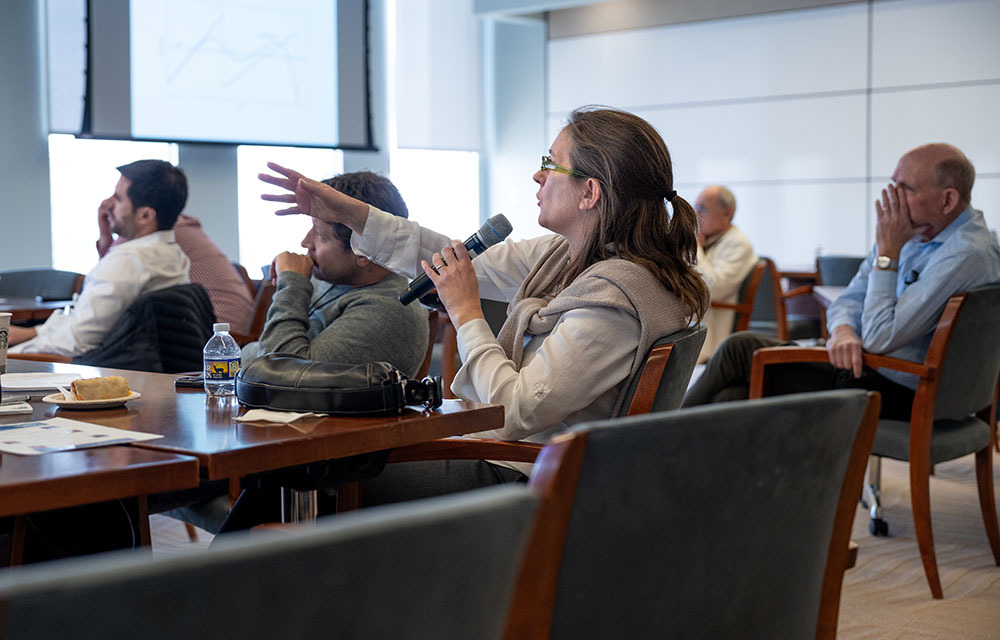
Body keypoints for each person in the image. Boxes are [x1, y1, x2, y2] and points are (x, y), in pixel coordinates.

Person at [252, 106, 709, 510]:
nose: (537, 176)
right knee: (307, 468)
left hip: (521, 476)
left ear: (590, 193)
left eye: (550, 164)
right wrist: (351, 213)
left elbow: (513, 413)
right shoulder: (567, 256)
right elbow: (445, 254)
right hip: (506, 457)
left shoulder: (616, 299)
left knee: (302, 473)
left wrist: (467, 311)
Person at [684, 143, 1000, 418]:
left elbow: (878, 337)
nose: (891, 197)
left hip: (902, 385)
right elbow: (848, 299)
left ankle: (653, 439)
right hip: (866, 365)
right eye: (892, 184)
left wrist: (887, 254)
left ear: (947, 201)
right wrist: (845, 329)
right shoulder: (915, 231)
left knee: (740, 349)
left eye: (905, 188)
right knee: (731, 397)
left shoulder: (966, 255)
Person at [241, 171, 428, 376]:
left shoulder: (387, 310)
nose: (305, 242)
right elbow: (272, 351)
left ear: (364, 251)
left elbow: (279, 372)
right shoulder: (336, 278)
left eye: (320, 234)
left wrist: (292, 284)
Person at [9, 160, 190, 356]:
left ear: (145, 216)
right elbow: (83, 324)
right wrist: (30, 334)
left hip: (93, 369)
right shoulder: (173, 255)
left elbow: (75, 343)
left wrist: (9, 355)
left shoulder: (128, 262)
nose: (107, 204)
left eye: (118, 198)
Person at [97, 214, 255, 334]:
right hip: (229, 330)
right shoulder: (181, 222)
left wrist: (106, 234)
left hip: (218, 339)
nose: (108, 205)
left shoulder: (156, 233)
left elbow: (104, 287)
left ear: (144, 212)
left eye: (118, 198)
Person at [693, 185, 757, 362]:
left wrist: (696, 248)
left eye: (702, 209)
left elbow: (711, 288)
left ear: (727, 213)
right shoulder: (709, 240)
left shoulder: (739, 244)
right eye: (694, 208)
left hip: (714, 328)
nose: (695, 215)